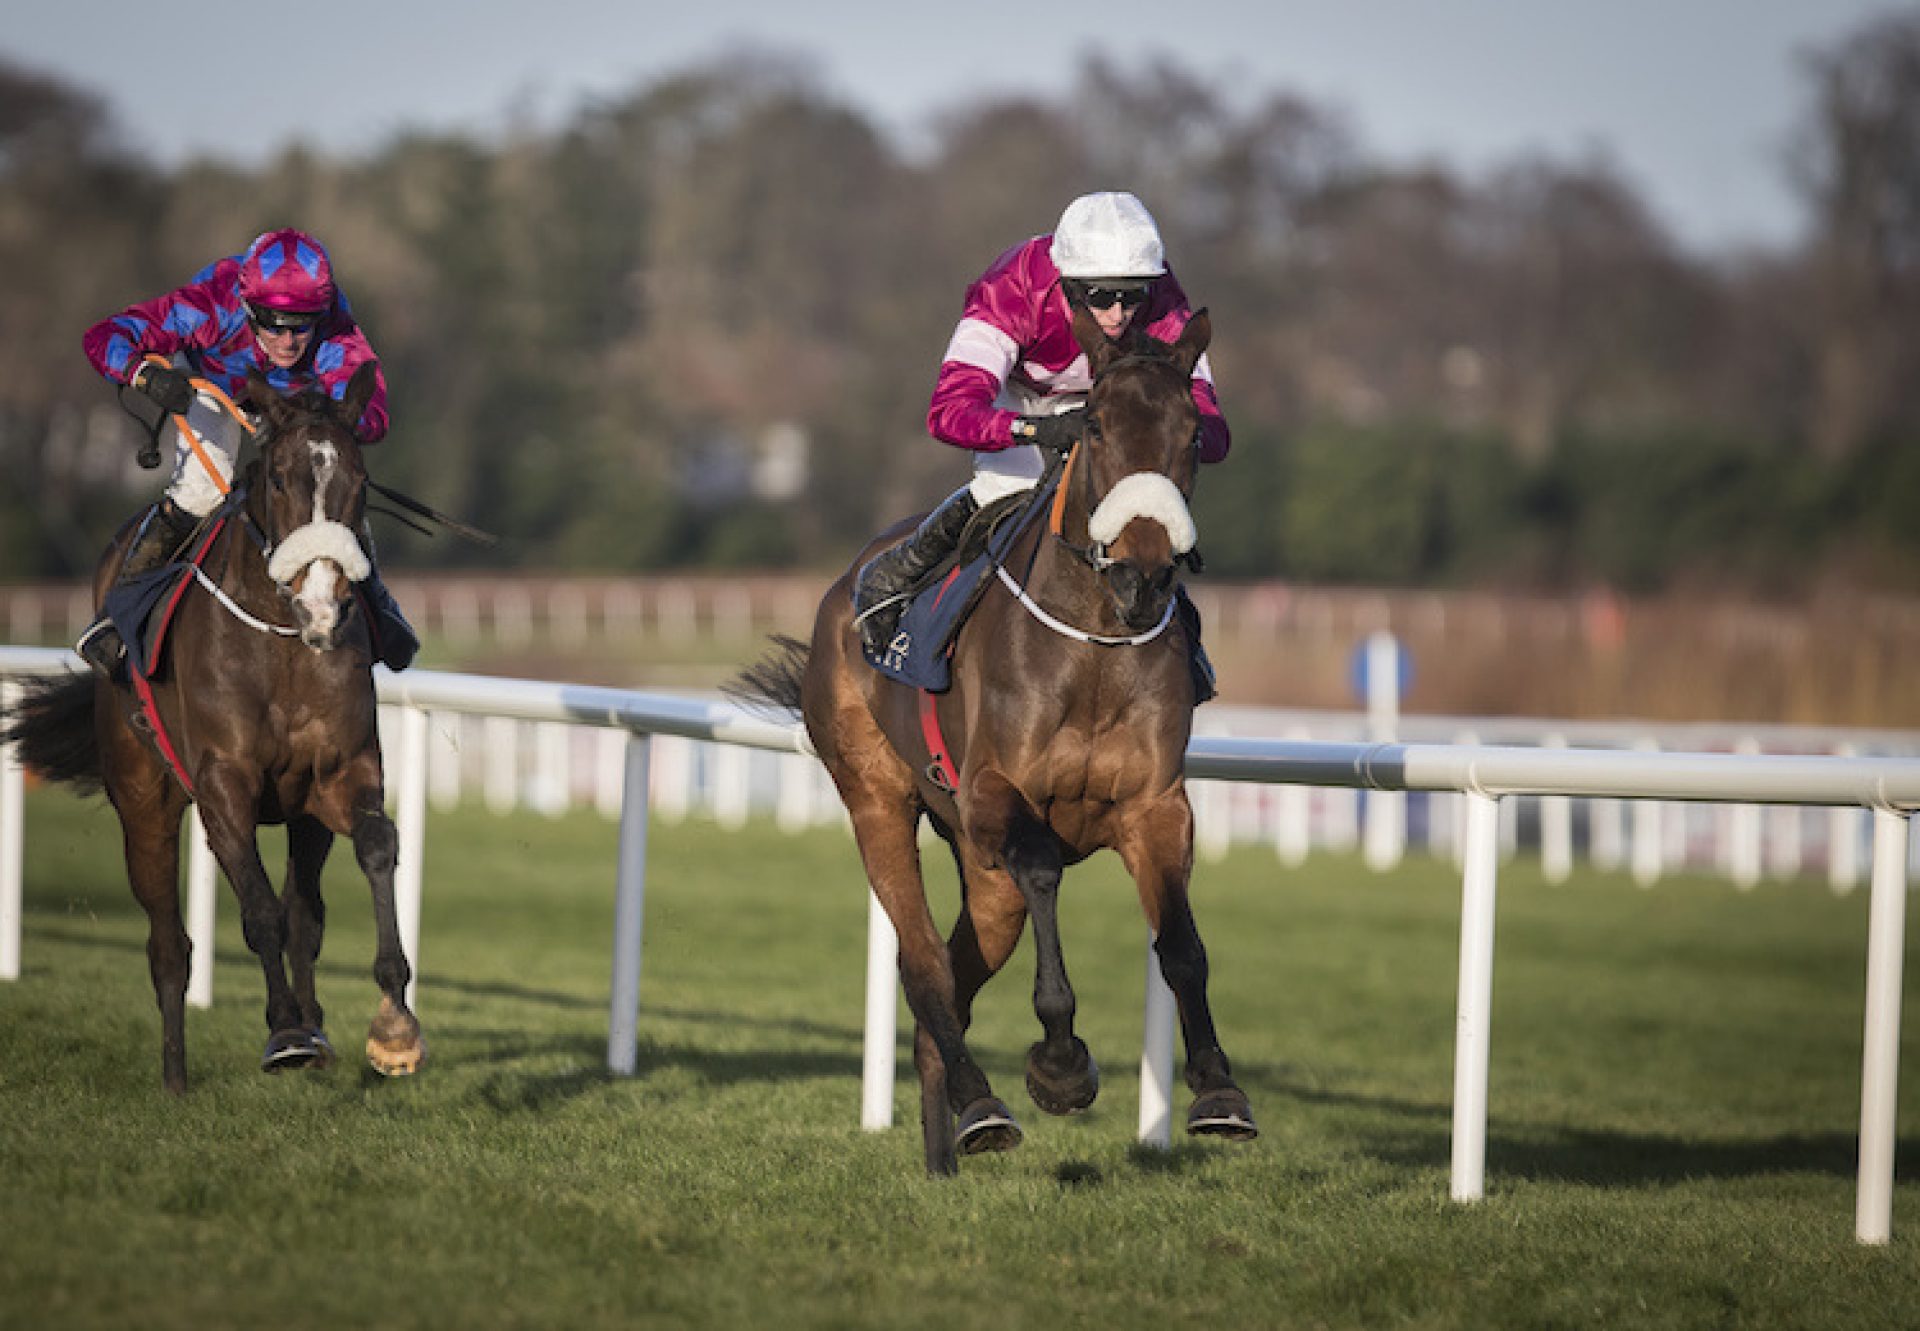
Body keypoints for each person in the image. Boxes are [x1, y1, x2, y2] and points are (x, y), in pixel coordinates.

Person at [852, 190, 1229, 697]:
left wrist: (1171, 433)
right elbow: (948, 414)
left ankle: (1181, 641)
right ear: (1067, 283)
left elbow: (1214, 431)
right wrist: (1036, 431)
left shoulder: (1161, 297)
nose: (1119, 312)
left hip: (1111, 411)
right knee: (1006, 492)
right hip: (1021, 401)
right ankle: (900, 579)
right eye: (1099, 296)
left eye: (1132, 294)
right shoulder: (1011, 290)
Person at [77, 227, 417, 675]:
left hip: (291, 404)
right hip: (212, 385)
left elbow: (372, 409)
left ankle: (379, 604)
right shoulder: (209, 306)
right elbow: (103, 337)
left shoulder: (335, 323)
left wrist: (341, 426)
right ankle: (118, 615)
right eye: (271, 323)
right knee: (200, 492)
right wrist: (146, 376)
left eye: (301, 326)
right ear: (246, 305)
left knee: (330, 485)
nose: (288, 341)